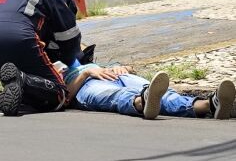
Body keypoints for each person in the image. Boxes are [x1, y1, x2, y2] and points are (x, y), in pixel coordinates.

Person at [64, 62, 235, 120]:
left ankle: (209, 105)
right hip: (85, 84)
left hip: (113, 74)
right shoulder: (46, 64)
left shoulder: (76, 47)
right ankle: (141, 102)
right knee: (118, 96)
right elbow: (63, 97)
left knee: (162, 93)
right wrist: (86, 73)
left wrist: (123, 68)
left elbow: (132, 68)